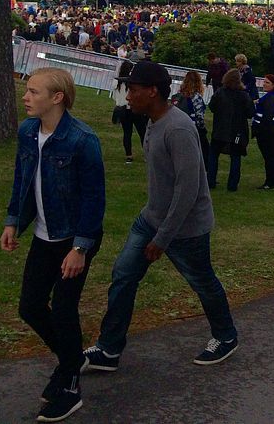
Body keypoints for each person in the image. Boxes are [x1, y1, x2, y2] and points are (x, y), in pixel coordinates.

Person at [83, 60, 239, 375]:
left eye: (134, 90)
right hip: (152, 218)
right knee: (124, 274)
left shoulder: (178, 128)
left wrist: (162, 238)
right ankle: (110, 348)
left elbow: (189, 189)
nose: (127, 96)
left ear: (152, 92)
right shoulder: (153, 121)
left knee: (203, 282)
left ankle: (226, 336)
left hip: (184, 228)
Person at [1, 67, 105, 422]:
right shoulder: (29, 132)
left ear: (57, 97)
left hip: (75, 237)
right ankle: (72, 359)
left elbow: (94, 198)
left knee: (63, 308)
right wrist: (13, 220)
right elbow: (22, 179)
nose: (25, 97)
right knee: (30, 306)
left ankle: (70, 385)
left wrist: (80, 248)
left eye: (33, 92)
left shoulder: (81, 139)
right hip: (45, 235)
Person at [207, 69, 255, 191]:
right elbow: (250, 113)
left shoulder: (220, 93)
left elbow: (212, 107)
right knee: (235, 157)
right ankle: (232, 185)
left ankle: (210, 181)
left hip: (220, 130)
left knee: (213, 155)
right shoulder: (243, 95)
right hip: (237, 131)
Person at [253, 74, 274, 190]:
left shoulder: (271, 98)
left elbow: (267, 116)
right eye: (264, 82)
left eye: (267, 82)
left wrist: (260, 130)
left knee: (269, 157)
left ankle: (270, 182)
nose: (264, 84)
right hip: (273, 130)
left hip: (267, 132)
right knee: (272, 156)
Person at [113, 61, 149, 164]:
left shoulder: (117, 82)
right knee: (142, 132)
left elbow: (115, 96)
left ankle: (129, 155)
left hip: (122, 109)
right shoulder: (131, 82)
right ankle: (146, 155)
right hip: (133, 109)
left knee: (127, 133)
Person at [172, 71, 209, 163]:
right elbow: (199, 116)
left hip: (177, 126)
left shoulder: (178, 96)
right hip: (191, 128)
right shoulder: (196, 97)